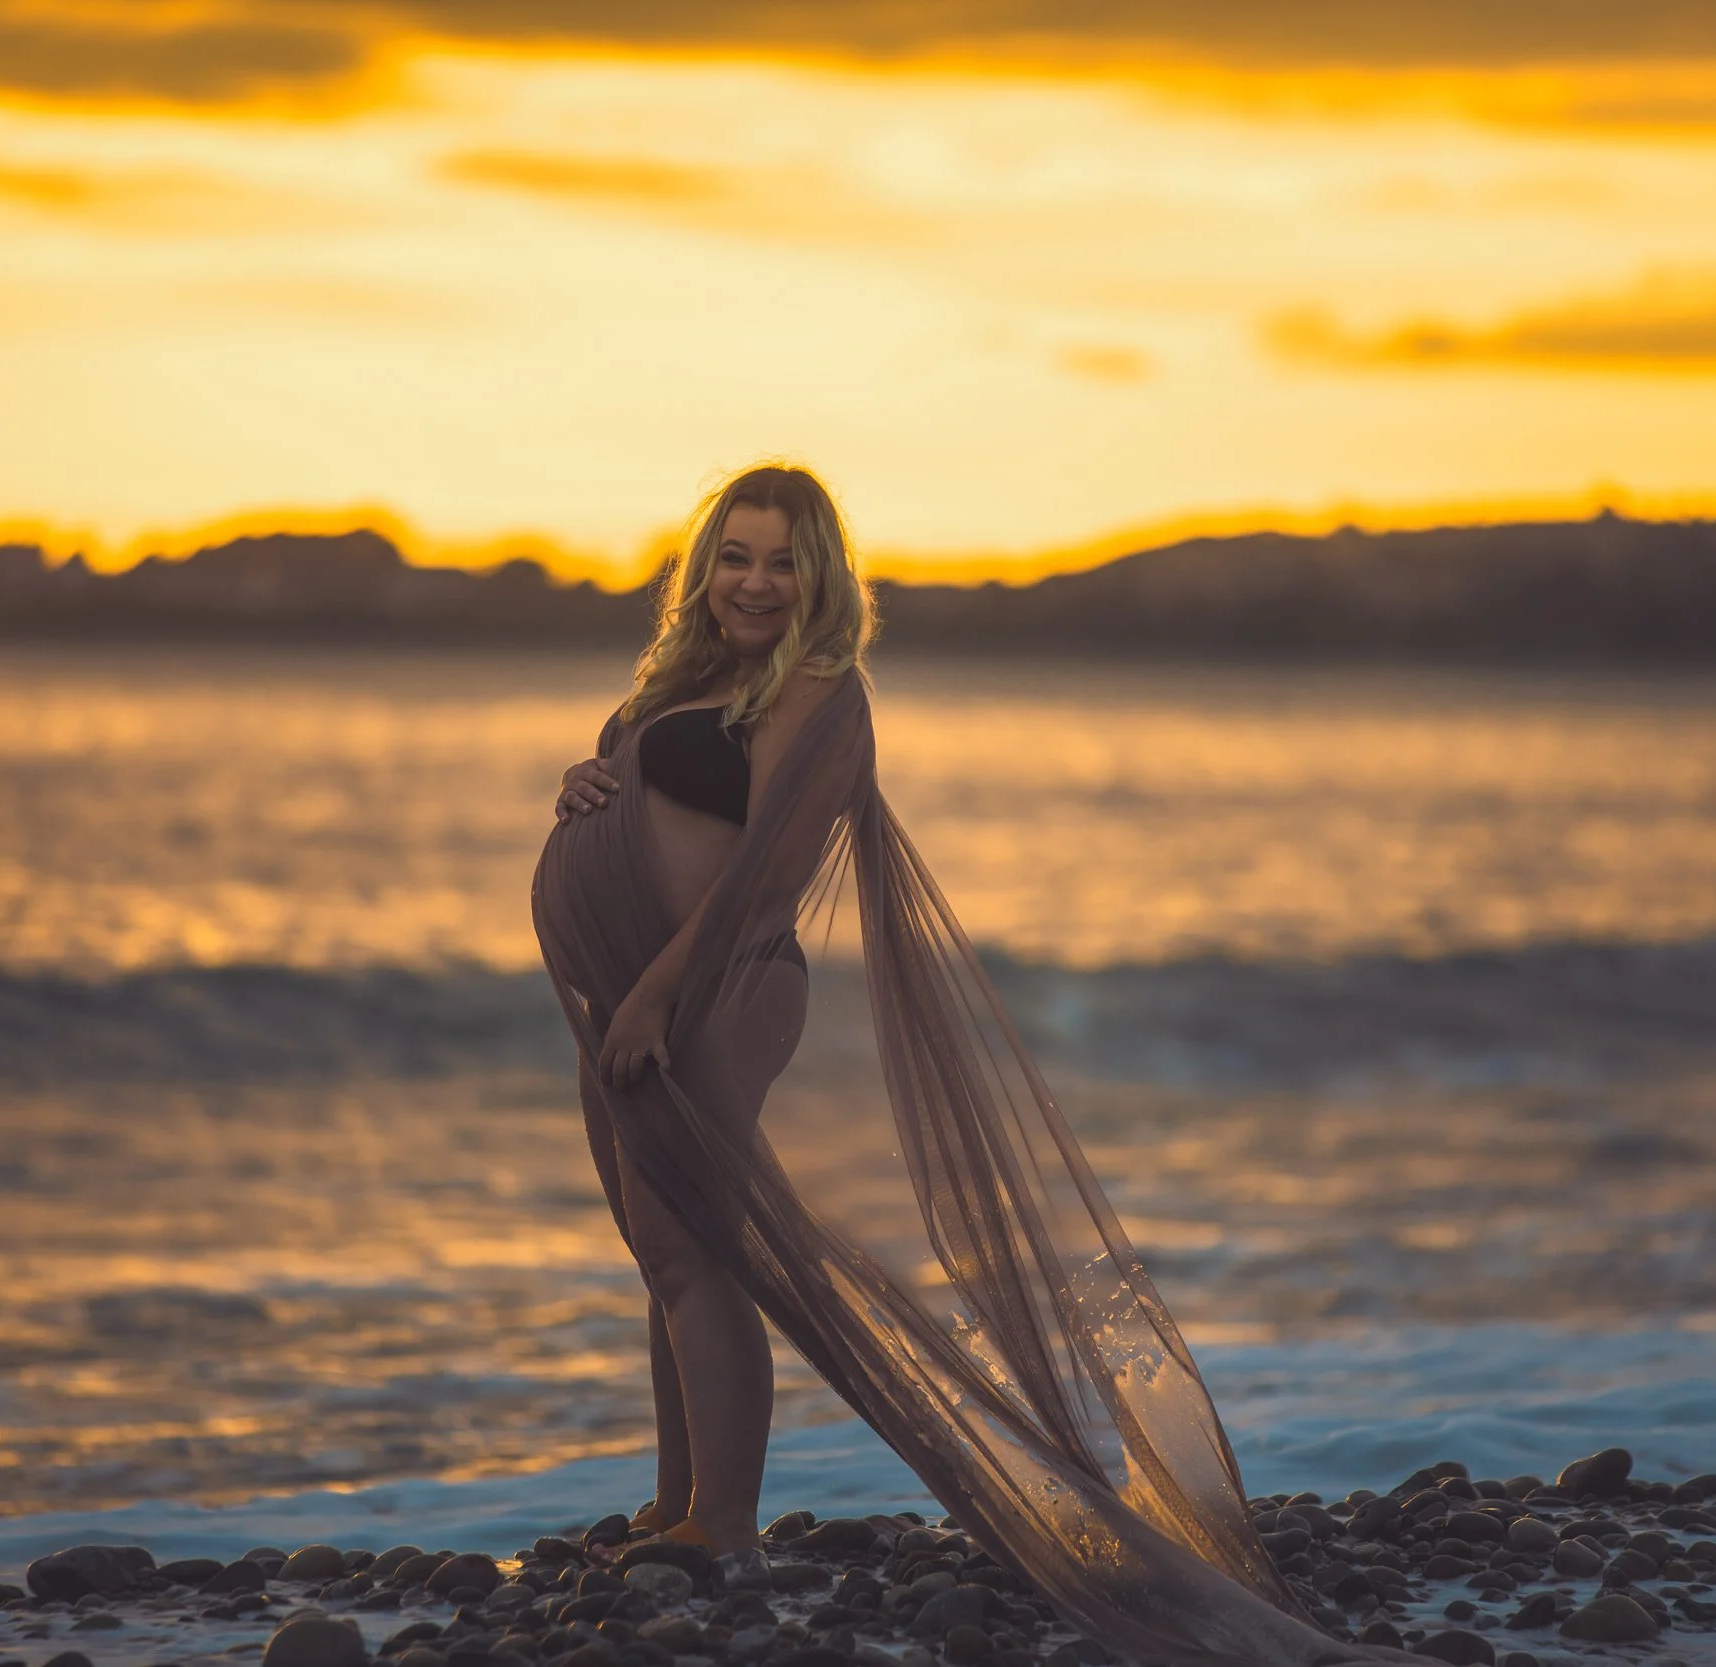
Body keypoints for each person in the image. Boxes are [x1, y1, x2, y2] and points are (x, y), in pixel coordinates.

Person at [533, 465, 1387, 1665]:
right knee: (658, 1245)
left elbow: (759, 869)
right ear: (703, 565)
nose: (756, 582)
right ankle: (674, 1506)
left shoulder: (821, 690)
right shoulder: (690, 679)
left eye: (784, 561)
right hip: (629, 984)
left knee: (694, 1245)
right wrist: (589, 785)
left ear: (820, 576)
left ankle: (723, 1527)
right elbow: (650, 800)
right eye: (735, 556)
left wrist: (666, 990)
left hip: (716, 984)